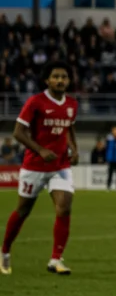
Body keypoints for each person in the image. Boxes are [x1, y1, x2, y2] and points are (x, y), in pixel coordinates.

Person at [2, 61, 79, 276]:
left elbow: (69, 127)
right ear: (47, 80)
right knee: (23, 210)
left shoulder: (72, 104)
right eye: (56, 76)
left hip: (60, 165)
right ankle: (5, 251)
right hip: (34, 166)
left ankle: (56, 259)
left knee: (64, 207)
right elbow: (18, 132)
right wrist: (40, 150)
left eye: (64, 77)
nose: (60, 80)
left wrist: (74, 149)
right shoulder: (35, 102)